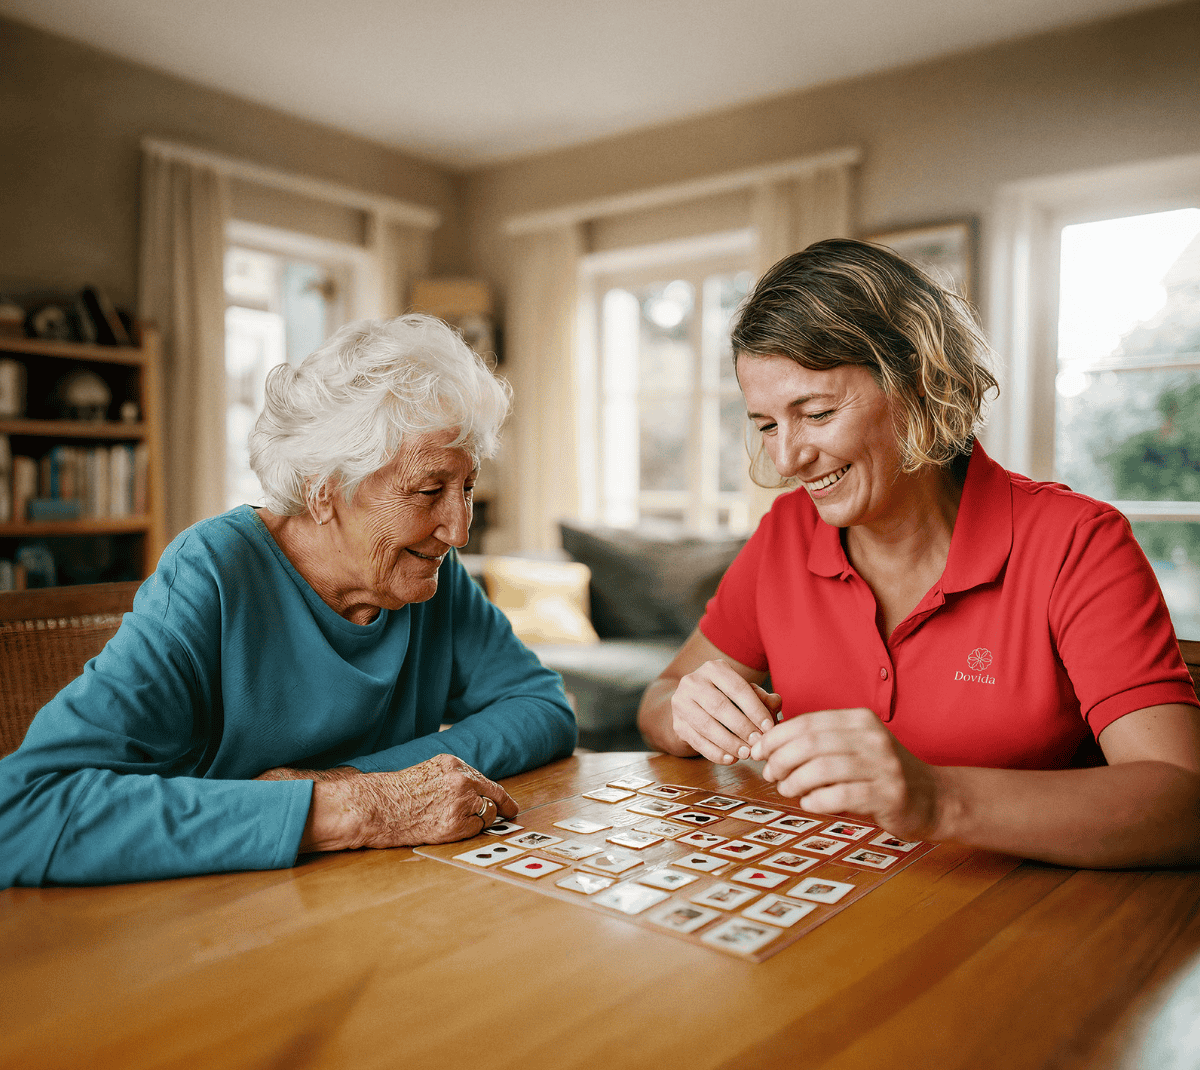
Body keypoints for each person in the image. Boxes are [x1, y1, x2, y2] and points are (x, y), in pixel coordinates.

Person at [638, 238, 1200, 868]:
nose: (786, 458)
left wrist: (937, 799)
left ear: (922, 384)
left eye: (817, 413)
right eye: (768, 424)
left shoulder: (1076, 540)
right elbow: (659, 697)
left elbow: (1183, 803)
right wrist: (689, 712)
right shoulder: (786, 531)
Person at [0, 315, 576, 887]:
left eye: (467, 488)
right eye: (429, 491)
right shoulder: (214, 575)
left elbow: (543, 709)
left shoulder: (426, 573)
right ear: (322, 490)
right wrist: (350, 810)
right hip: (212, 915)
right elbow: (23, 811)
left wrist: (354, 784)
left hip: (373, 898)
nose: (459, 530)